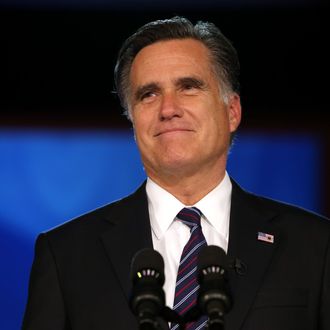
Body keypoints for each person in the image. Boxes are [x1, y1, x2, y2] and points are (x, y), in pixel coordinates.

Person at [22, 16, 330, 330]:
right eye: (148, 94)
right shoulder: (65, 255)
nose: (168, 108)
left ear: (232, 112)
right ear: (133, 119)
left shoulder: (315, 246)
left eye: (188, 87)